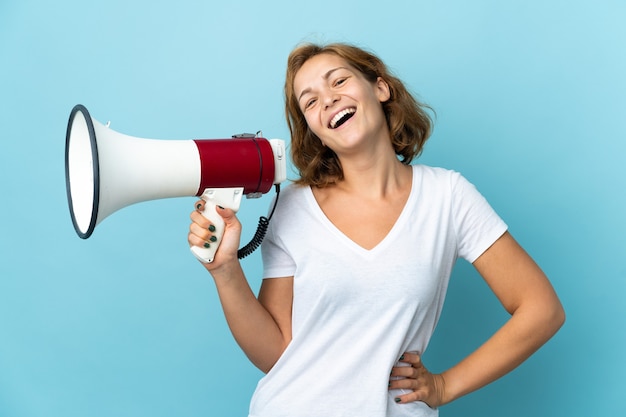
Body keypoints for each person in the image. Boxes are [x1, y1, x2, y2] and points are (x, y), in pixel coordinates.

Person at [187, 42, 565, 417]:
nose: (329, 100)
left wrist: (446, 385)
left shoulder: (448, 197)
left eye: (338, 82)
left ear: (380, 88)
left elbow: (542, 309)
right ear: (315, 131)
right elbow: (275, 355)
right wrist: (226, 271)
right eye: (311, 102)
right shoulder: (292, 207)